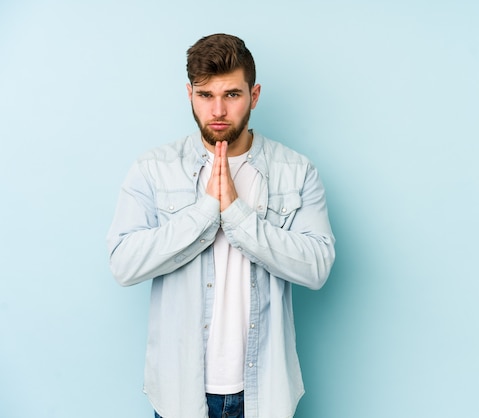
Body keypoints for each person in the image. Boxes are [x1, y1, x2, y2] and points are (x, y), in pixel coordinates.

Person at [106, 33, 335, 418]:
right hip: (180, 395)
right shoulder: (152, 168)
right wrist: (206, 210)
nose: (217, 110)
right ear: (189, 94)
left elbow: (317, 268)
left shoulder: (296, 171)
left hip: (265, 395)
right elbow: (123, 264)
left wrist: (236, 213)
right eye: (205, 94)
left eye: (231, 94)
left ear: (255, 95)